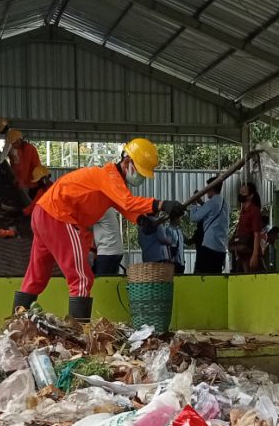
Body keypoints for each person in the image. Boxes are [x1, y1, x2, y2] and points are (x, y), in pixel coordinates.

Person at [12, 138, 184, 321]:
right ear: (127, 162)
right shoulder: (108, 176)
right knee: (82, 278)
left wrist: (141, 219)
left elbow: (123, 206)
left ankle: (16, 324)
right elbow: (126, 201)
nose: (140, 177)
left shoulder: (112, 181)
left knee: (36, 275)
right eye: (140, 172)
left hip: (43, 214)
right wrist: (162, 204)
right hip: (59, 216)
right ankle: (78, 332)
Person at [189, 179, 227, 274]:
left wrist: (193, 204)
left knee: (201, 275)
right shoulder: (225, 203)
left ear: (212, 188)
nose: (206, 192)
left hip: (209, 246)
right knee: (215, 276)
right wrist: (201, 203)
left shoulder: (211, 203)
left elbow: (194, 218)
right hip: (221, 248)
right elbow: (211, 213)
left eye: (207, 188)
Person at [230, 182, 264, 273]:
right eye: (240, 192)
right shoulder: (243, 211)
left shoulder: (254, 211)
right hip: (242, 252)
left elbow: (257, 234)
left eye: (243, 192)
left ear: (250, 196)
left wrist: (255, 254)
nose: (240, 194)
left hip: (250, 251)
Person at [6, 129, 41, 194]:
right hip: (28, 181)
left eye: (14, 143)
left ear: (19, 140)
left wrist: (22, 183)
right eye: (12, 143)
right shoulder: (19, 149)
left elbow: (25, 167)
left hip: (33, 182)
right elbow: (17, 166)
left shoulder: (28, 148)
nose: (13, 145)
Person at [91, 209, 124, 275]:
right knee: (111, 280)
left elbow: (83, 221)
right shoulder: (108, 208)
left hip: (107, 251)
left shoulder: (101, 209)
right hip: (114, 250)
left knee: (102, 281)